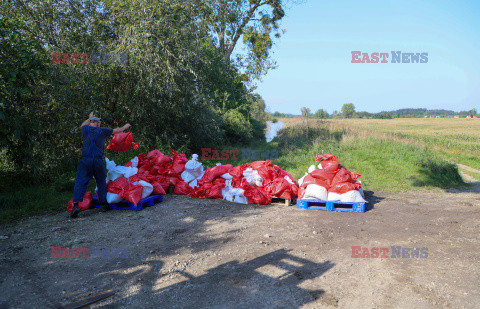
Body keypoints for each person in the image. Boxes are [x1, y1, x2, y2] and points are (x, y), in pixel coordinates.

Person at [70, 112, 131, 218]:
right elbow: (118, 131)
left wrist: (89, 118)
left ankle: (76, 206)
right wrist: (126, 126)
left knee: (80, 181)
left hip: (85, 161)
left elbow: (82, 125)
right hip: (97, 161)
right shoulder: (103, 130)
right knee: (101, 181)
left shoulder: (86, 129)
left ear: (91, 123)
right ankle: (103, 204)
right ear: (98, 124)